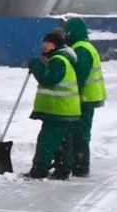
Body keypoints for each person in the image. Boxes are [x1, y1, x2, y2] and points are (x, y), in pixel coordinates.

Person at [26, 28, 80, 180]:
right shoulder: (63, 59)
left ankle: (39, 170)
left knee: (47, 142)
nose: (44, 46)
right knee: (63, 143)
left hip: (58, 110)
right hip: (66, 110)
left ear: (54, 45)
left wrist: (36, 65)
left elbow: (47, 79)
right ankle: (63, 170)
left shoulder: (58, 61)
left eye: (47, 44)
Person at [65, 17, 104, 177]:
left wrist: (71, 97)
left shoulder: (80, 49)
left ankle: (81, 166)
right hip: (89, 97)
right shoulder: (84, 46)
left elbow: (79, 76)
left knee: (80, 133)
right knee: (81, 132)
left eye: (68, 32)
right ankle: (79, 164)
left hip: (84, 98)